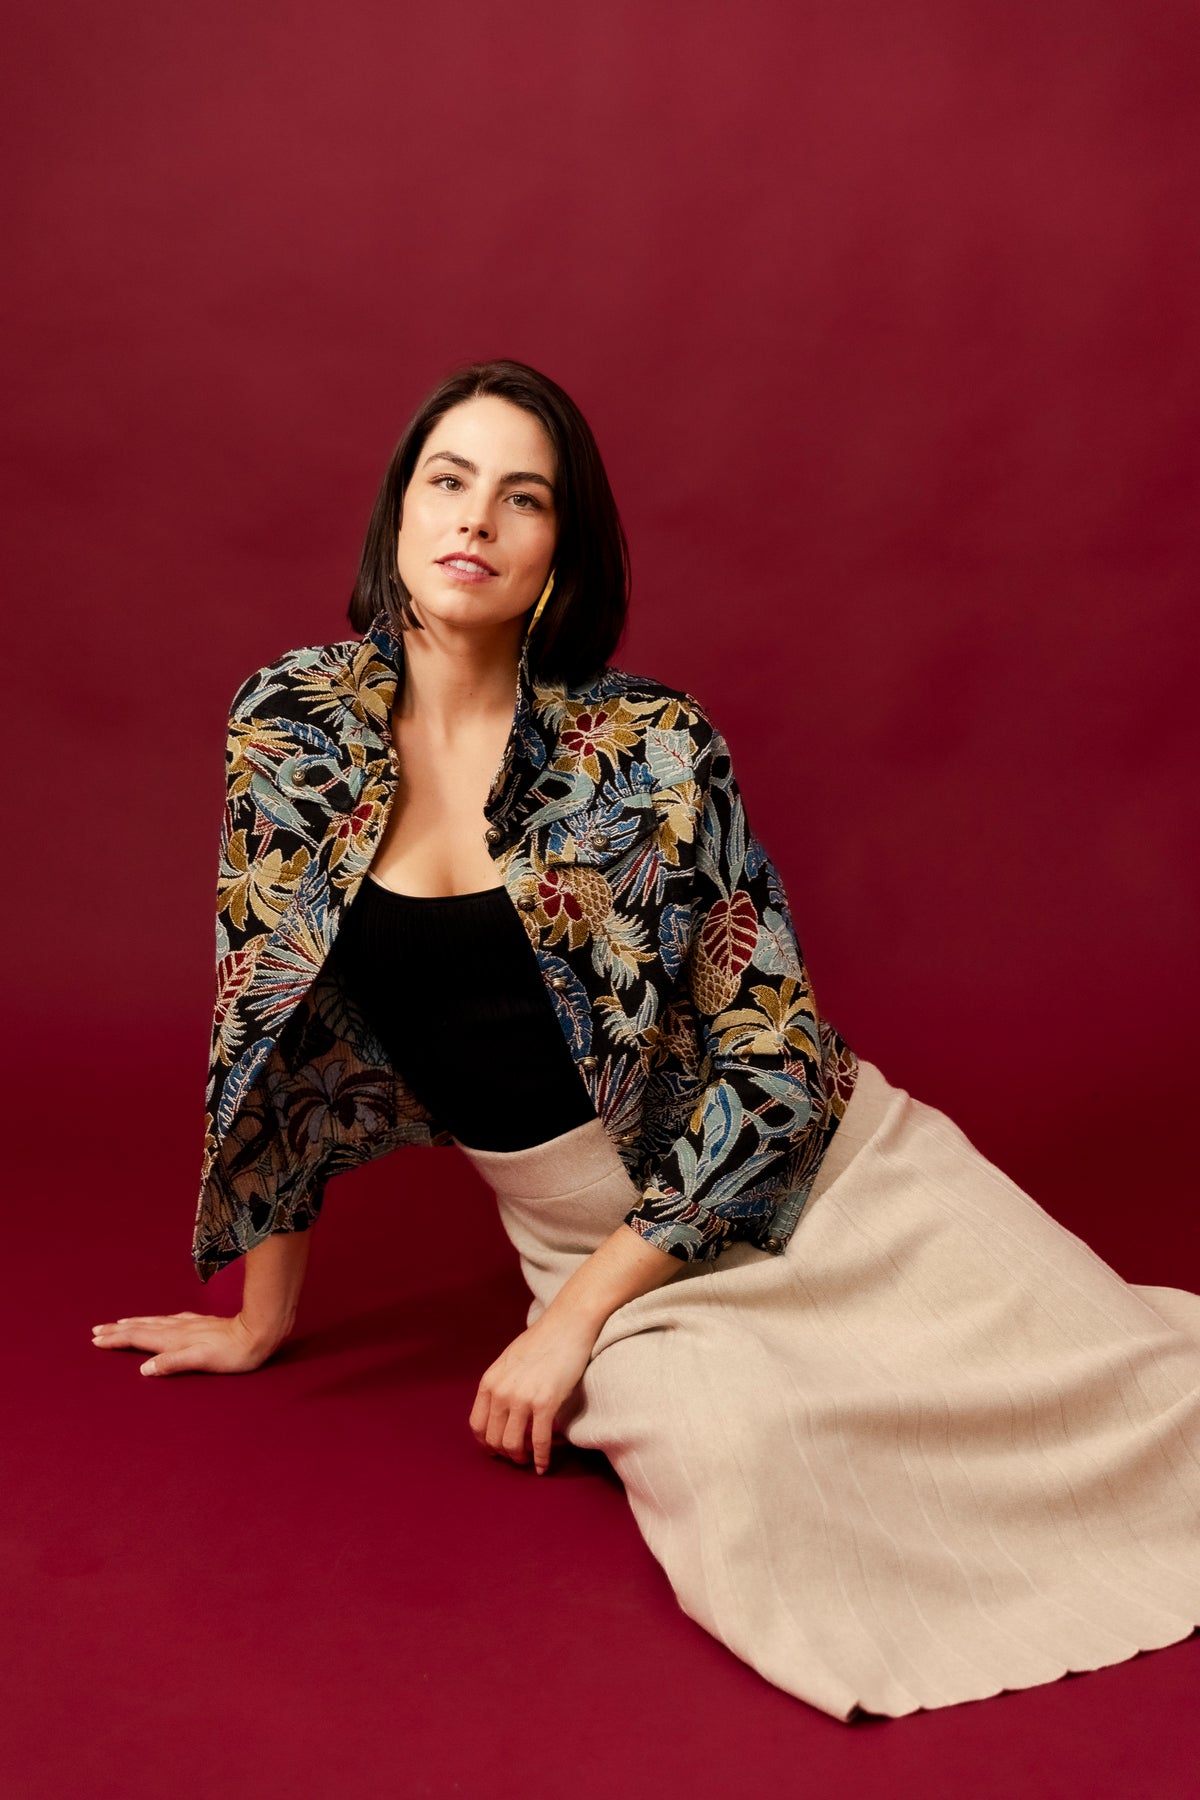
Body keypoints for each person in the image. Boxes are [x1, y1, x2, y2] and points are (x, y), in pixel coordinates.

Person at [91, 358, 1200, 1722]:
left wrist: (568, 1323)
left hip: (830, 1181)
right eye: (448, 480)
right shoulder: (289, 727)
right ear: (398, 511)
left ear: (563, 546)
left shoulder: (652, 747)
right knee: (747, 1468)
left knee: (1146, 1393)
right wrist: (264, 1318)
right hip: (610, 1263)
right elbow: (269, 1034)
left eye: (523, 497)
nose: (476, 518)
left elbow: (778, 1062)